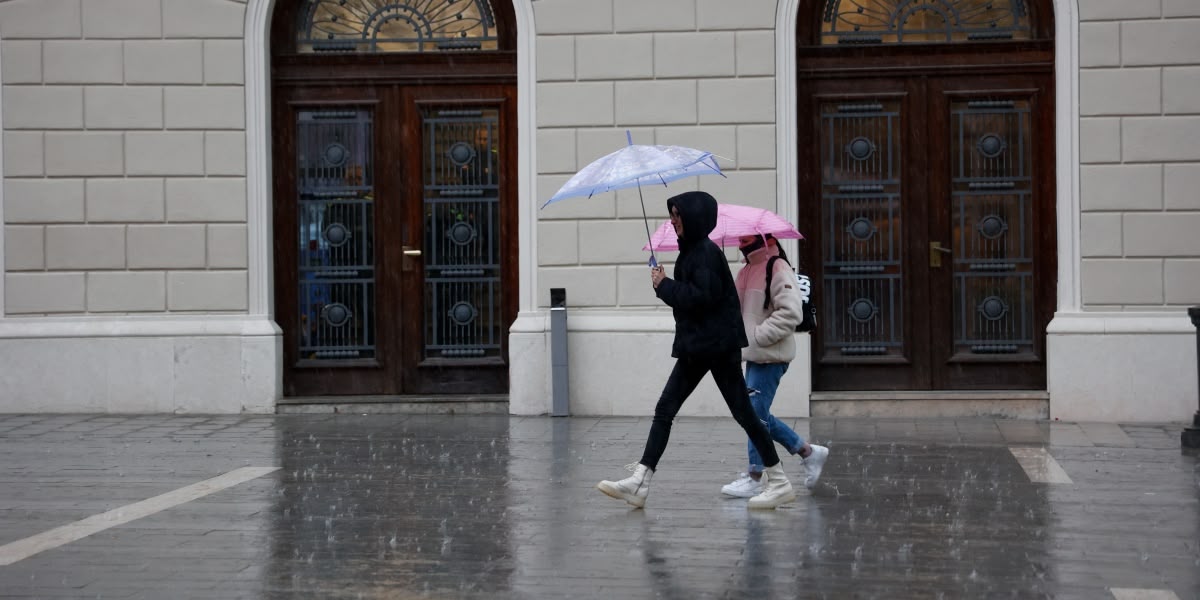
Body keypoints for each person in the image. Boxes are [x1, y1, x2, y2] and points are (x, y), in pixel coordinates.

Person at [596, 191, 797, 510]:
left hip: (713, 347)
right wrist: (666, 287)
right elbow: (696, 297)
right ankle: (641, 480)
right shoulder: (694, 253)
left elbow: (700, 297)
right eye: (672, 214)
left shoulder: (704, 253)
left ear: (694, 218)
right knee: (686, 409)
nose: (672, 220)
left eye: (677, 215)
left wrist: (665, 286)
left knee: (731, 412)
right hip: (705, 345)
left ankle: (778, 481)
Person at [721, 234, 829, 498]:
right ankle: (807, 452)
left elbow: (791, 313)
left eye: (745, 238)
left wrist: (758, 336)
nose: (740, 242)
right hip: (754, 354)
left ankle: (755, 475)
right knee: (755, 413)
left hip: (771, 355)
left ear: (761, 238)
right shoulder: (747, 269)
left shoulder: (776, 266)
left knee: (753, 415)